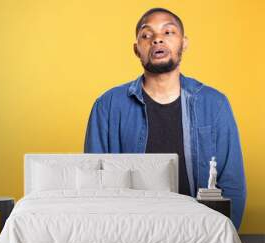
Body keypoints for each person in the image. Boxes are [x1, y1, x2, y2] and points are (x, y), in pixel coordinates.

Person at [83, 7, 246, 230]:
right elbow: (94, 183)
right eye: (146, 35)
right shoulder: (108, 106)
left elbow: (232, 183)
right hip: (130, 233)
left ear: (184, 43)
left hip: (197, 233)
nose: (157, 39)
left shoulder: (214, 104)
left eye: (168, 32)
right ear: (136, 49)